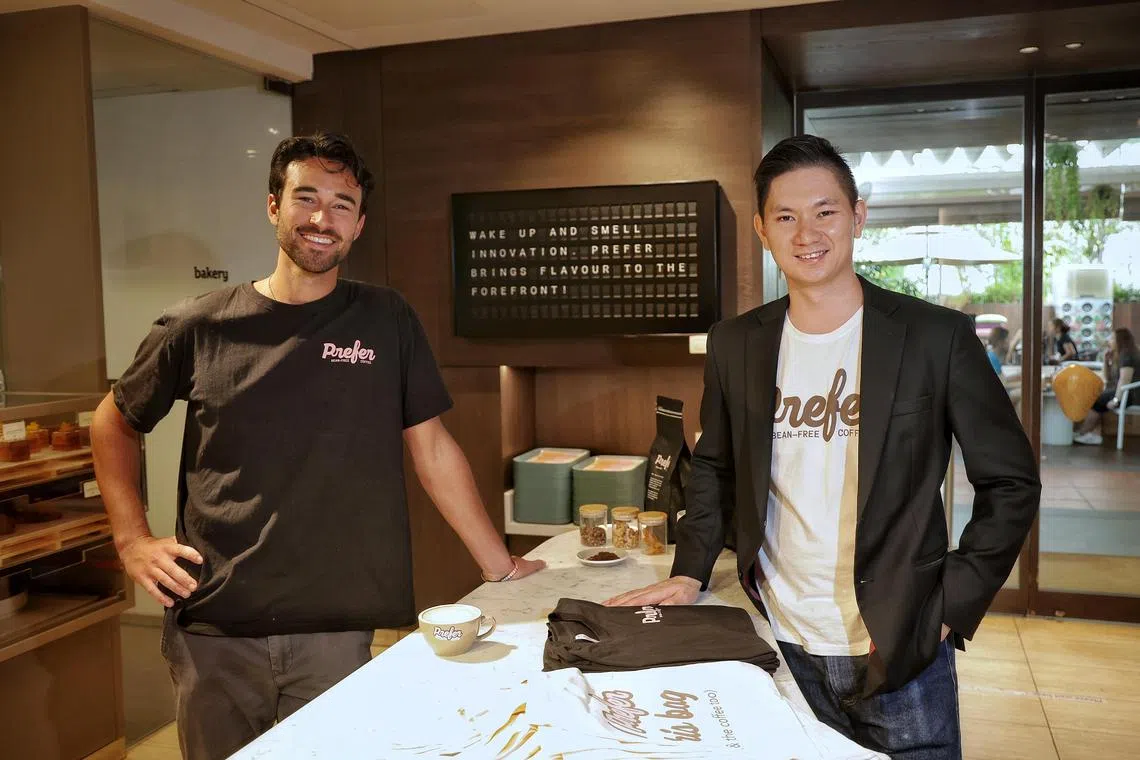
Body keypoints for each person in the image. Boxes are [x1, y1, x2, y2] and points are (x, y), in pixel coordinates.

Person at [91, 132, 545, 760]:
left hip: (336, 626)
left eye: (341, 205)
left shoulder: (385, 320)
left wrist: (501, 565)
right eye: (306, 198)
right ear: (274, 206)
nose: (321, 219)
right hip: (216, 621)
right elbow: (112, 422)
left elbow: (433, 448)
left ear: (359, 225)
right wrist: (130, 539)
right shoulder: (198, 325)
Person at [605, 135, 1040, 759]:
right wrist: (689, 571)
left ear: (857, 217)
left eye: (824, 211)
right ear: (762, 229)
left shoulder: (933, 337)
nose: (806, 232)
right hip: (780, 638)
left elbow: (1011, 482)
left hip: (897, 641)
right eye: (785, 216)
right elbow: (717, 468)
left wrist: (951, 603)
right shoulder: (737, 343)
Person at [1074, 327, 1139, 445]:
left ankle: (1084, 433)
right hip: (1123, 392)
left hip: (1131, 395)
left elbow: (1125, 380)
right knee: (1097, 399)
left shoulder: (1127, 355)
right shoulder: (1120, 355)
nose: (1109, 341)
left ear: (1120, 340)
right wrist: (1106, 361)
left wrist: (1116, 400)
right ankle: (1091, 434)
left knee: (1096, 401)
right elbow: (1108, 378)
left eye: (1113, 338)